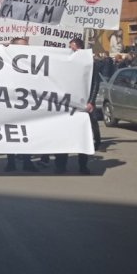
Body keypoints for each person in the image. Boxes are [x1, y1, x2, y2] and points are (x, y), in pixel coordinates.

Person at [54, 37, 101, 175]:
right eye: (69, 48)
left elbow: (95, 83)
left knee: (82, 137)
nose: (70, 50)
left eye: (73, 48)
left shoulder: (89, 63)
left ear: (80, 48)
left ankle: (83, 166)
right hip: (65, 106)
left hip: (82, 106)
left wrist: (91, 101)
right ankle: (60, 165)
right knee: (63, 137)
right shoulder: (65, 63)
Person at [4, 37, 40, 173]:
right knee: (10, 134)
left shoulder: (32, 62)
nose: (27, 49)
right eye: (24, 46)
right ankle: (11, 162)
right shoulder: (5, 60)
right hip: (9, 103)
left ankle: (27, 161)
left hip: (27, 103)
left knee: (27, 133)